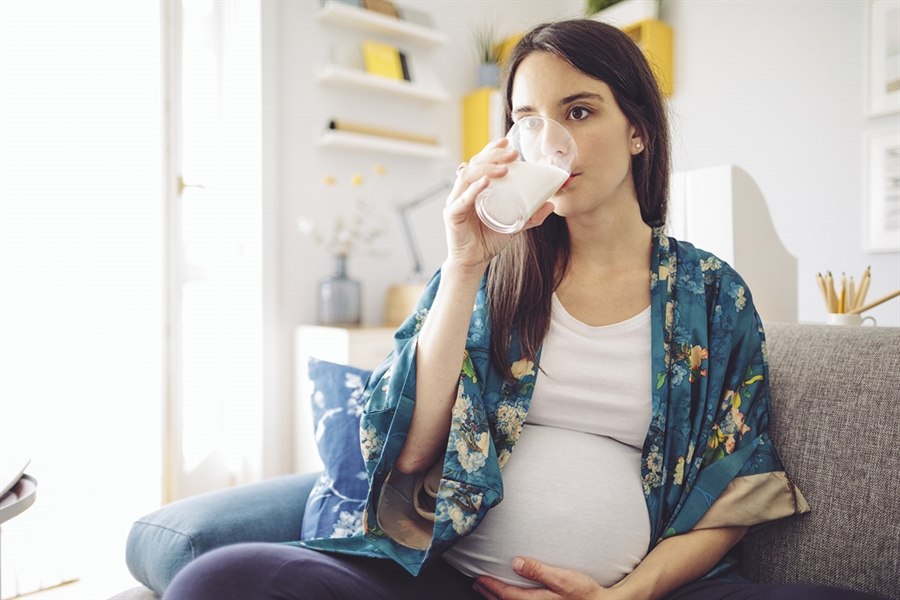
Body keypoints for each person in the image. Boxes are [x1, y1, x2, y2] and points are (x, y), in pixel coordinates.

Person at [163, 19, 881, 600]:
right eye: (528, 118)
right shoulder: (493, 271)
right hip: (449, 577)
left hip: (636, 594)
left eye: (579, 110)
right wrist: (464, 264)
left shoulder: (711, 294)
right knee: (219, 579)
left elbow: (733, 493)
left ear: (638, 130)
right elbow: (411, 452)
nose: (552, 140)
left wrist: (621, 599)